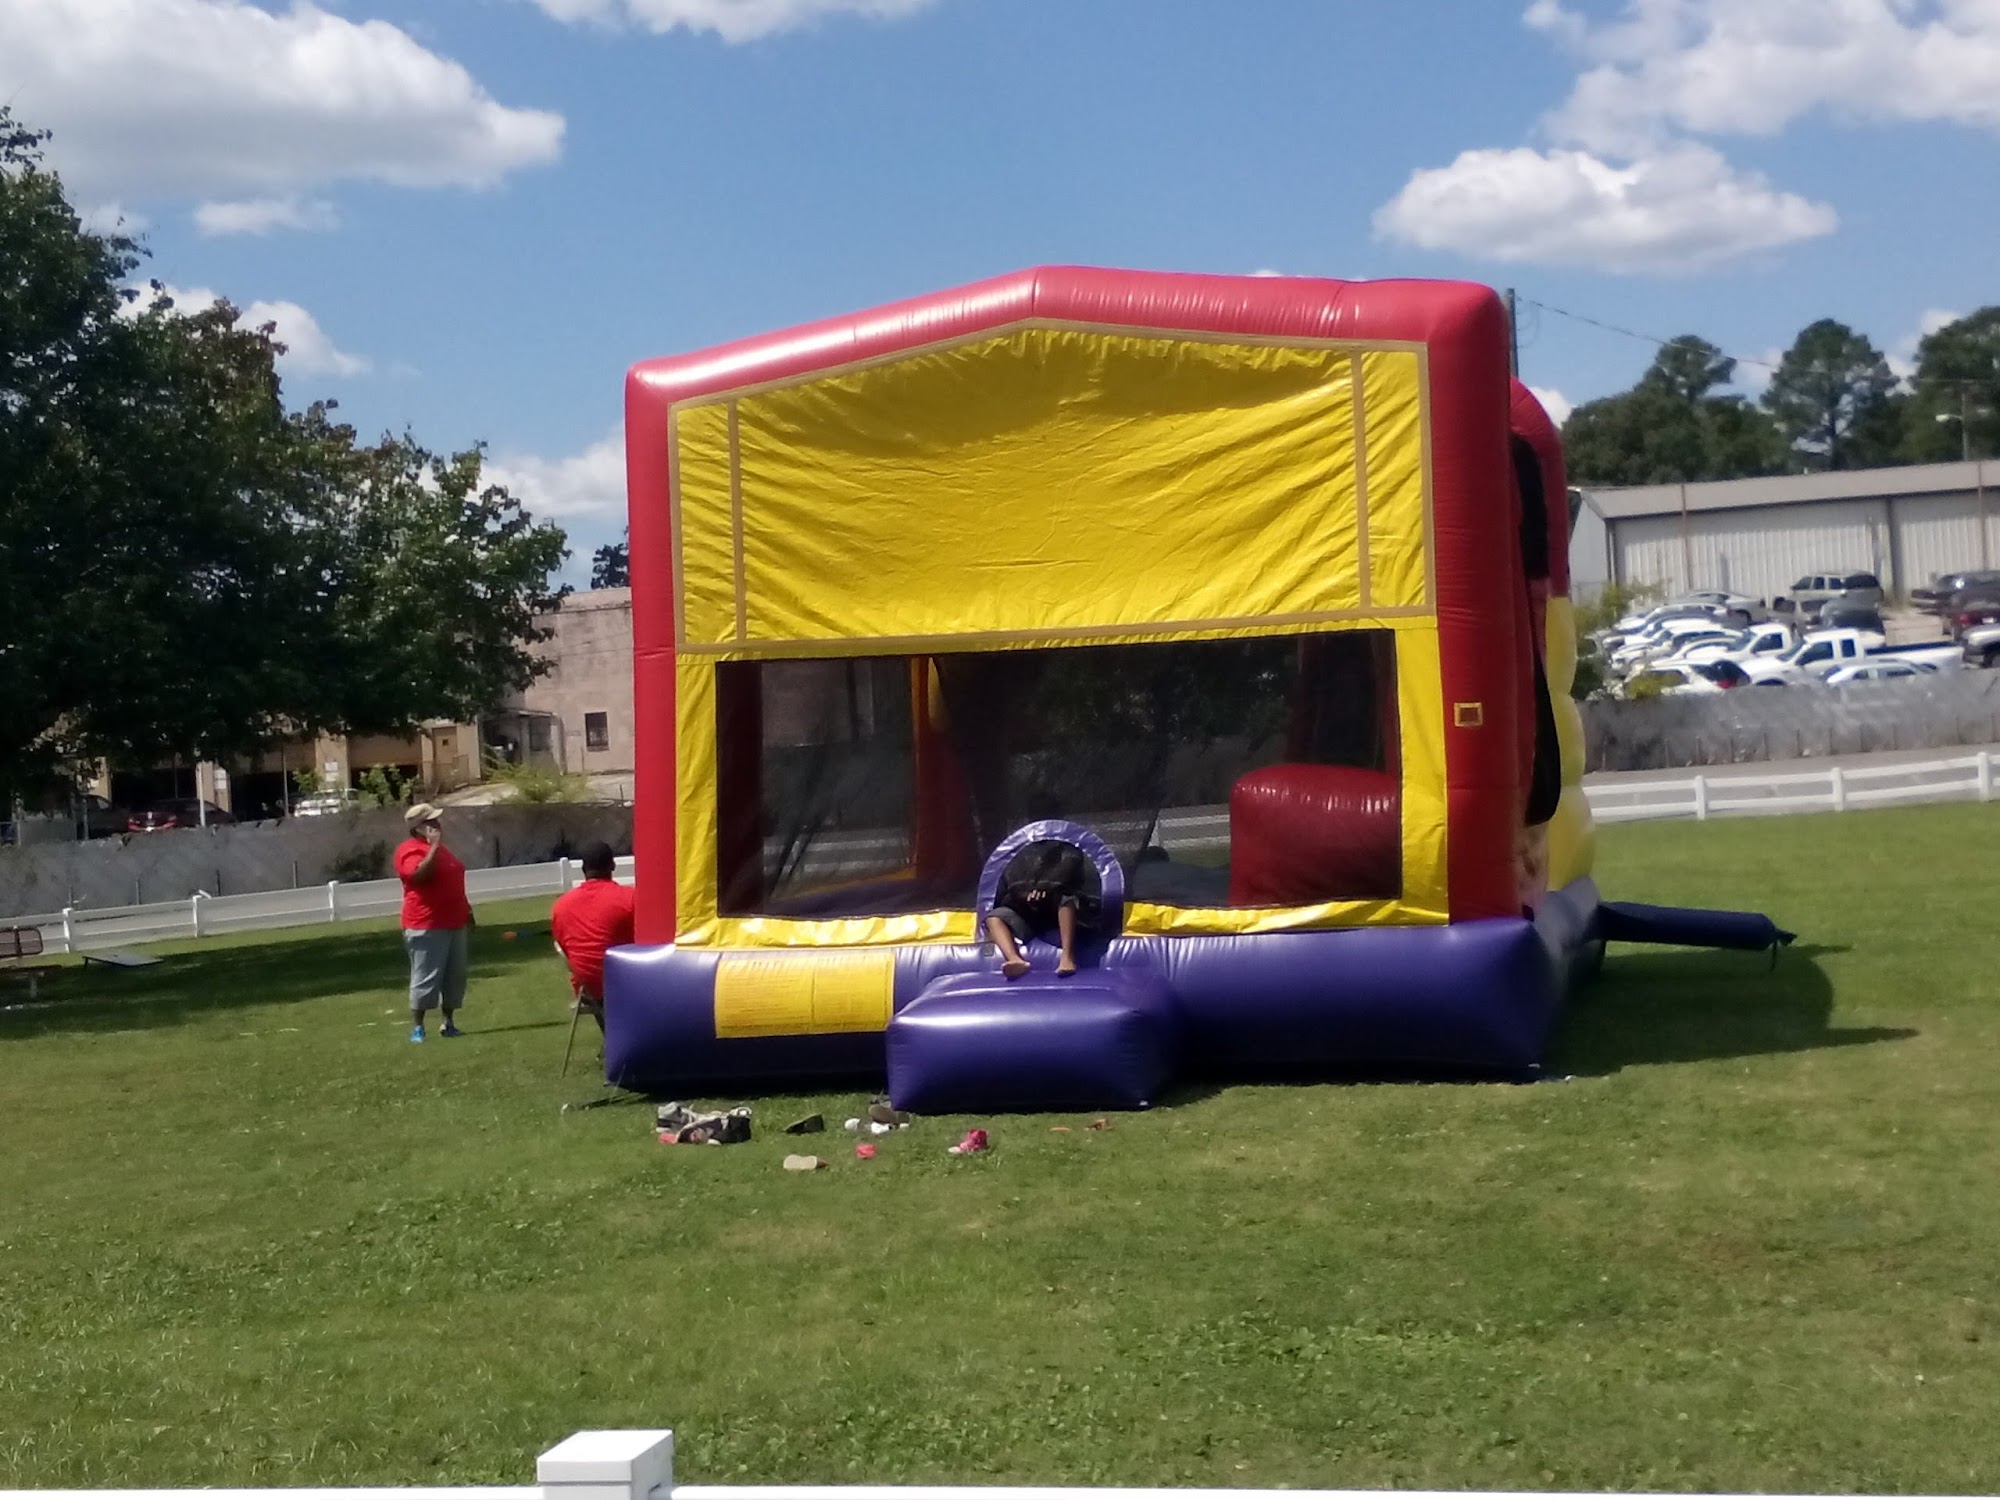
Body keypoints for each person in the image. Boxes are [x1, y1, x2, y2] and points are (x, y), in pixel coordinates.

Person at [395, 802, 472, 1042]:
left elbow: (454, 881)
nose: (438, 824)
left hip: (454, 920)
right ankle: (418, 1027)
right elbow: (418, 876)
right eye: (431, 822)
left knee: (454, 976)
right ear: (419, 827)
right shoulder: (409, 850)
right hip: (426, 923)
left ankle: (448, 1023)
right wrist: (434, 847)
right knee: (426, 976)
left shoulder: (441, 850)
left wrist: (467, 910)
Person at [551, 841, 636, 1031]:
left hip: (587, 988)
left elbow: (564, 946)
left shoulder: (561, 906)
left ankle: (614, 1038)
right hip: (625, 983)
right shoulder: (630, 898)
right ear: (612, 866)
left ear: (583, 869)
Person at [986, 838, 1093, 979]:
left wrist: (1048, 888)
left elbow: (1072, 882)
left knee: (1067, 901)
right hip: (1028, 914)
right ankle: (1014, 959)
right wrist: (1025, 893)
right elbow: (1008, 891)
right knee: (994, 917)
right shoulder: (1020, 857)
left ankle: (1067, 956)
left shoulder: (1070, 853)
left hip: (1057, 914)